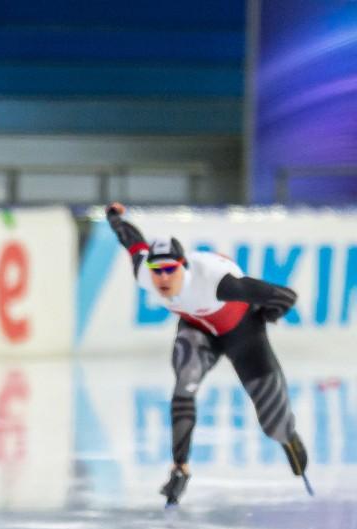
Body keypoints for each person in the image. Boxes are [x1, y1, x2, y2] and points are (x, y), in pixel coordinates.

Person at [104, 203, 309, 505]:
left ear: (182, 266)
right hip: (197, 330)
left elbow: (285, 296)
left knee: (274, 425)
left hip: (243, 333)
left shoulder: (217, 283)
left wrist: (267, 315)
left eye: (169, 270)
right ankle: (180, 468)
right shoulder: (144, 274)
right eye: (156, 270)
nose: (162, 278)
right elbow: (132, 242)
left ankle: (287, 436)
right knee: (184, 383)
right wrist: (115, 218)